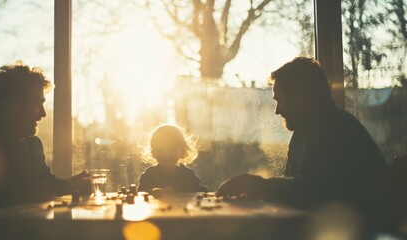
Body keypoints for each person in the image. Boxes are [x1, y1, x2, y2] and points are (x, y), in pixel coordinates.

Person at [216, 57, 402, 235]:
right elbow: (297, 187)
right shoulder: (306, 132)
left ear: (299, 96)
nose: (277, 110)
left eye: (279, 99)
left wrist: (258, 185)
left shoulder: (336, 128)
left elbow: (314, 189)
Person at [0, 61, 91, 219]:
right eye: (36, 104)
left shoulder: (32, 144)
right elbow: (6, 197)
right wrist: (67, 185)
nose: (43, 114)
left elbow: (45, 184)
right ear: (13, 105)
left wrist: (75, 185)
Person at [138, 124, 208, 192]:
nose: (166, 155)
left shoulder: (187, 175)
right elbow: (140, 193)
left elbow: (201, 193)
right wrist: (154, 192)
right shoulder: (149, 175)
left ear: (182, 151)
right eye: (161, 151)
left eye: (172, 150)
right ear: (154, 153)